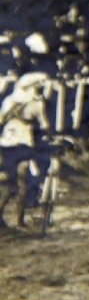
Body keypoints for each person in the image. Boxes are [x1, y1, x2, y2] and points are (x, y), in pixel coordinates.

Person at [0, 72, 51, 228]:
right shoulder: (36, 103)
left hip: (7, 143)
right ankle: (19, 220)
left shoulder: (10, 100)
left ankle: (5, 218)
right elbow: (44, 125)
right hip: (23, 143)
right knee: (22, 183)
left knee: (10, 184)